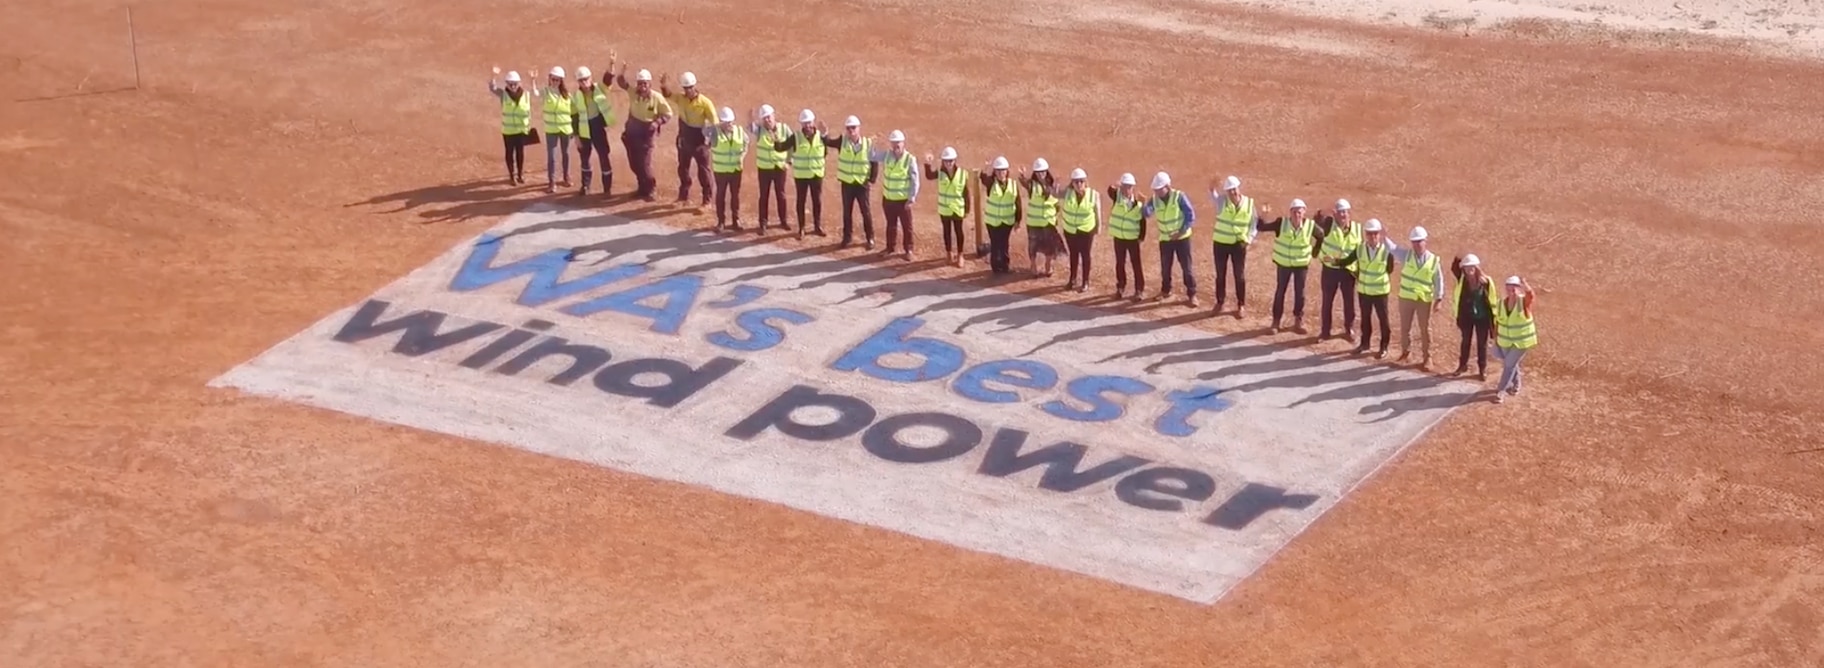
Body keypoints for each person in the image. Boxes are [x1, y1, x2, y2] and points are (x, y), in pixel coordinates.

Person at [1208, 175, 1270, 318]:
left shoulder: (1249, 204)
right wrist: (1212, 187)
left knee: (1239, 276)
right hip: (1221, 243)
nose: (1232, 193)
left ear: (1238, 188)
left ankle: (1241, 305)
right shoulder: (1221, 202)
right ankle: (1220, 302)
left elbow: (1253, 224)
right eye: (1229, 190)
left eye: (1234, 189)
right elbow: (1212, 195)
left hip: (1238, 245)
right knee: (1220, 274)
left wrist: (1249, 239)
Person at [611, 65, 673, 202]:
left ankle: (651, 189)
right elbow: (621, 82)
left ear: (649, 84)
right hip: (633, 131)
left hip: (647, 133)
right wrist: (622, 70)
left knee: (645, 164)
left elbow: (668, 114)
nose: (642, 86)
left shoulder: (656, 98)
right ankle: (641, 188)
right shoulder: (633, 92)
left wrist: (656, 123)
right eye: (640, 83)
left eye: (645, 83)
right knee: (634, 163)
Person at [1337, 218, 1395, 358]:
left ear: (1379, 234)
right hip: (1364, 292)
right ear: (1365, 234)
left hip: (1380, 292)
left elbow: (1390, 269)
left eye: (1375, 233)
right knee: (1365, 319)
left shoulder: (1387, 252)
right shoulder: (1360, 249)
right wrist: (1334, 261)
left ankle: (1383, 347)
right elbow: (1348, 261)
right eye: (1369, 234)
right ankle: (1365, 344)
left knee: (1383, 321)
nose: (1372, 236)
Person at [1258, 198, 1317, 334]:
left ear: (1304, 212)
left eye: (1299, 212)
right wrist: (1263, 215)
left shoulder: (1310, 225)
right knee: (1280, 292)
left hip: (1301, 265)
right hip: (1284, 264)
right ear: (1290, 213)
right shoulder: (1281, 223)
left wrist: (1315, 252)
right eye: (1294, 212)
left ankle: (1298, 321)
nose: (1297, 215)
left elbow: (1321, 236)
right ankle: (1276, 322)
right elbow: (1262, 227)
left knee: (1300, 293)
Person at [767, 109, 828, 238]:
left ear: (813, 122)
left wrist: (826, 134)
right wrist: (775, 139)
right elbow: (781, 147)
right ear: (801, 124)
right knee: (801, 201)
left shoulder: (821, 136)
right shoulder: (796, 137)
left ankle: (817, 226)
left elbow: (825, 152)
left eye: (809, 122)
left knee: (817, 201)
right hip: (801, 176)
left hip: (816, 175)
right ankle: (802, 228)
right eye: (804, 123)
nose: (807, 125)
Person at [661, 71, 716, 205]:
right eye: (686, 88)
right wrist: (663, 85)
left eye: (690, 87)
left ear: (694, 86)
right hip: (684, 139)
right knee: (683, 168)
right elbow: (668, 95)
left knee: (703, 171)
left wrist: (711, 140)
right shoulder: (681, 98)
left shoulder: (705, 103)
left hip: (699, 141)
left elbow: (715, 122)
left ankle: (707, 199)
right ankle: (683, 196)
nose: (688, 90)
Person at [1395, 225, 1446, 370]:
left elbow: (1438, 279)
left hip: (1423, 300)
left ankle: (1427, 357)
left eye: (1420, 241)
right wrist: (1384, 237)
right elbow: (1393, 248)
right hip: (1406, 297)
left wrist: (1439, 299)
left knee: (1425, 329)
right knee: (1405, 327)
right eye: (1414, 242)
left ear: (1425, 241)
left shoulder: (1433, 260)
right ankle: (1406, 352)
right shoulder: (1407, 255)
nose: (1417, 245)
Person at [1146, 171, 1197, 306]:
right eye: (1155, 190)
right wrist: (1144, 206)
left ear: (1167, 186)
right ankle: (1165, 290)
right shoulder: (1155, 199)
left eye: (1159, 189)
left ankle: (1192, 294)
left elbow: (1190, 216)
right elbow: (1147, 213)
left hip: (1182, 239)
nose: (1157, 192)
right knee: (1165, 267)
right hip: (1165, 239)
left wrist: (1180, 232)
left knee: (1187, 268)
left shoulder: (1179, 197)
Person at [826, 116, 878, 249]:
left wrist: (872, 179)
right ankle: (847, 238)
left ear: (859, 128)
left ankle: (870, 238)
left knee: (865, 212)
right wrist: (824, 133)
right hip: (847, 184)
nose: (851, 131)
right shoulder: (842, 141)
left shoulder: (868, 143)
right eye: (848, 128)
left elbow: (874, 162)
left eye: (853, 127)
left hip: (862, 184)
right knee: (847, 212)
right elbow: (828, 142)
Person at [1314, 198, 1361, 341]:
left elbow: (1360, 251)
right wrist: (1325, 210)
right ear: (1335, 214)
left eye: (1345, 212)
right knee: (1327, 301)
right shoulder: (1328, 224)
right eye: (1340, 212)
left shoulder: (1357, 229)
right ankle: (1325, 331)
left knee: (1349, 302)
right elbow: (1316, 219)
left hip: (1348, 271)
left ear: (1349, 214)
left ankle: (1349, 329)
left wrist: (1359, 271)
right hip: (1330, 270)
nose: (1343, 215)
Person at [571, 62, 616, 196]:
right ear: (578, 81)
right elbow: (573, 117)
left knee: (604, 156)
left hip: (597, 127)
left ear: (591, 78)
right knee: (585, 158)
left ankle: (607, 188)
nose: (584, 82)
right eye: (581, 80)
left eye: (586, 79)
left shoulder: (599, 89)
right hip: (584, 129)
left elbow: (607, 80)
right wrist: (576, 137)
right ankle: (585, 185)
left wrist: (611, 64)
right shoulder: (576, 96)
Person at [1449, 253, 1498, 379]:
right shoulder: (1462, 280)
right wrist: (1460, 256)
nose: (1469, 269)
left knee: (1482, 344)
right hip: (1467, 317)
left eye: (1472, 267)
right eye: (1467, 267)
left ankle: (1482, 369)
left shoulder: (1486, 282)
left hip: (1483, 318)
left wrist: (1494, 319)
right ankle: (1462, 366)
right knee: (1465, 342)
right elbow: (1454, 266)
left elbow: (1492, 299)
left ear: (1477, 267)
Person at [1492, 275, 1537, 404]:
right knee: (1512, 364)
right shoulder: (1501, 303)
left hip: (1521, 342)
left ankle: (1501, 390)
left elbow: (1531, 296)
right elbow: (1498, 322)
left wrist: (1525, 284)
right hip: (1505, 341)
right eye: (1509, 287)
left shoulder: (1523, 302)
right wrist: (1496, 339)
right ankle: (1516, 385)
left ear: (1519, 289)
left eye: (1515, 287)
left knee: (1508, 364)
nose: (1512, 290)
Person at [922, 147, 971, 267]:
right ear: (943, 161)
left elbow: (966, 193)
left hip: (957, 209)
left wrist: (967, 209)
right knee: (947, 232)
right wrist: (928, 163)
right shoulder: (939, 173)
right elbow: (929, 176)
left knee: (959, 232)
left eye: (951, 161)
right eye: (946, 161)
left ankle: (960, 255)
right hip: (944, 209)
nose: (949, 163)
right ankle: (949, 253)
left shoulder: (962, 174)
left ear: (955, 161)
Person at [748, 104, 792, 234]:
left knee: (781, 195)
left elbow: (792, 145)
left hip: (780, 168)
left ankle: (783, 221)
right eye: (764, 118)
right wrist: (750, 118)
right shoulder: (760, 130)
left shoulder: (784, 129)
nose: (767, 120)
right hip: (764, 169)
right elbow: (751, 128)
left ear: (774, 115)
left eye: (769, 117)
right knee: (764, 196)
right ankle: (763, 223)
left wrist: (789, 162)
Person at [532, 66, 575, 193]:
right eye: (553, 79)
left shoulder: (567, 95)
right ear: (550, 79)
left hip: (566, 129)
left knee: (566, 154)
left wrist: (574, 129)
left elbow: (573, 111)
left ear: (561, 81)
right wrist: (533, 80)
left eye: (558, 80)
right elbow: (535, 93)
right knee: (551, 156)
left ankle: (566, 177)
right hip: (551, 129)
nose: (555, 81)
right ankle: (552, 182)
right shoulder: (546, 91)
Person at [1058, 168, 1100, 293]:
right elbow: (1055, 194)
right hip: (1071, 230)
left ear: (1085, 182)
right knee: (1074, 255)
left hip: (1086, 230)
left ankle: (1085, 281)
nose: (1079, 184)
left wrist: (1098, 227)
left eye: (1081, 181)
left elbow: (1097, 212)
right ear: (1072, 183)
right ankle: (1072, 279)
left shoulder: (1093, 194)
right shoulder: (1067, 193)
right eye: (1076, 182)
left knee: (1085, 255)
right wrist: (1055, 185)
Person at [1106, 173, 1146, 300]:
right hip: (1119, 237)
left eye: (1129, 187)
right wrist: (1116, 184)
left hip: (1132, 239)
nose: (1126, 190)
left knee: (1136, 264)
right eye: (1124, 187)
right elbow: (1109, 189)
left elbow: (1142, 222)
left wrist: (1141, 237)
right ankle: (1120, 288)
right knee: (1120, 263)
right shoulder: (1116, 197)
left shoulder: (1139, 203)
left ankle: (1139, 290)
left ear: (1133, 187)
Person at [488, 68, 532, 185]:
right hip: (508, 131)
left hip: (521, 130)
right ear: (507, 84)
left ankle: (520, 174)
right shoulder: (503, 94)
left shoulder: (526, 95)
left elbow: (529, 112)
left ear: (519, 83)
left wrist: (528, 127)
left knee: (520, 153)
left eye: (515, 83)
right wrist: (493, 76)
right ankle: (512, 175)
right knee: (509, 153)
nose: (513, 86)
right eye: (510, 84)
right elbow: (492, 88)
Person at [707, 106, 748, 232]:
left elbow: (746, 144)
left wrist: (742, 156)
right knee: (721, 195)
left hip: (736, 170)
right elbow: (706, 137)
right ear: (721, 122)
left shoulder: (740, 131)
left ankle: (736, 220)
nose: (728, 124)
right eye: (725, 122)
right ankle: (721, 222)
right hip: (721, 171)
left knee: (735, 196)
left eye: (730, 122)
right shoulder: (714, 132)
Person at [978, 157, 1021, 274]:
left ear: (1007, 171)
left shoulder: (1012, 184)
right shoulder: (991, 183)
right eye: (998, 171)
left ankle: (1005, 265)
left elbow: (1018, 202)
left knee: (1004, 243)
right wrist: (985, 167)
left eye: (1003, 170)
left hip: (1007, 221)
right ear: (995, 172)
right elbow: (982, 178)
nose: (1001, 173)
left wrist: (1018, 220)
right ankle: (996, 267)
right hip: (993, 221)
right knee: (995, 244)